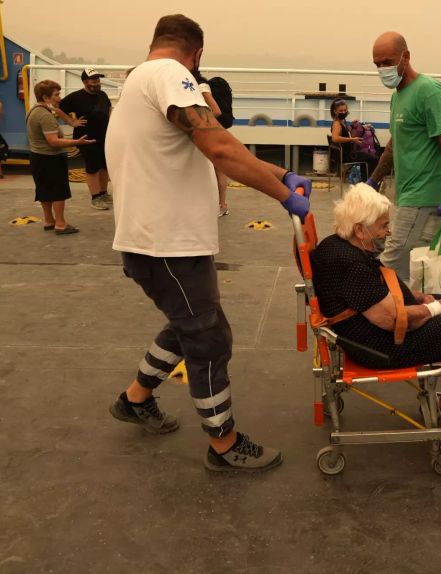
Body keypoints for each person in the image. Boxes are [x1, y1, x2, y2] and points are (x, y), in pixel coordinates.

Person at [105, 14, 312, 472]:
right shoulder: (169, 75)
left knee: (188, 325)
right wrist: (284, 197)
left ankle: (136, 399)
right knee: (210, 340)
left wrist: (282, 174)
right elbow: (217, 148)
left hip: (160, 243)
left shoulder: (140, 79)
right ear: (196, 54)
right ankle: (224, 442)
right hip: (167, 245)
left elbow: (221, 141)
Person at [311, 184, 441, 438]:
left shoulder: (338, 244)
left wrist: (415, 297)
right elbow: (394, 320)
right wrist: (431, 308)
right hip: (379, 346)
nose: (388, 231)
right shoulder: (350, 265)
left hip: (372, 330)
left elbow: (379, 287)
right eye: (383, 225)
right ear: (360, 229)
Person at [367, 32, 441, 281]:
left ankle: (384, 316)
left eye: (387, 62)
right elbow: (394, 143)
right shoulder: (398, 96)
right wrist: (374, 181)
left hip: (424, 197)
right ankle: (411, 314)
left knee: (391, 266)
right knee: (413, 273)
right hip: (406, 195)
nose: (382, 69)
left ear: (406, 57)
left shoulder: (429, 91)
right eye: (377, 65)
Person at [25, 80, 95, 235]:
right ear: (45, 96)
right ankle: (61, 224)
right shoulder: (45, 116)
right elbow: (54, 142)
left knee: (44, 190)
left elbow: (58, 111)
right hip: (51, 159)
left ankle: (49, 221)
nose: (59, 97)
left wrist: (70, 121)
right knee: (58, 192)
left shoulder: (34, 111)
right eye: (56, 94)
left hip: (38, 158)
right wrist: (77, 142)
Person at [59, 68, 112, 210]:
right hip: (85, 138)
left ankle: (103, 193)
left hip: (104, 136)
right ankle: (95, 198)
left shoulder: (102, 95)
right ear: (85, 82)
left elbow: (109, 109)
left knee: (104, 166)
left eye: (98, 80)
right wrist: (71, 122)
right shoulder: (76, 97)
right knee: (93, 166)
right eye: (93, 80)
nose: (96, 83)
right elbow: (58, 108)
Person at [193, 69, 233, 216]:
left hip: (210, 130)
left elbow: (215, 111)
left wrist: (197, 122)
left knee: (213, 169)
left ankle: (218, 204)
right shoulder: (205, 85)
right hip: (219, 128)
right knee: (219, 169)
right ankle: (222, 204)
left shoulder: (201, 87)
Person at [329, 98, 379, 182]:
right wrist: (353, 139)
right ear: (335, 111)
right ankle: (370, 182)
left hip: (349, 152)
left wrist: (354, 126)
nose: (343, 112)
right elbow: (335, 138)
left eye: (345, 110)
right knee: (373, 159)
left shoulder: (342, 122)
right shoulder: (337, 123)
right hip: (347, 155)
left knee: (366, 157)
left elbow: (346, 132)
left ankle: (365, 182)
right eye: (340, 110)